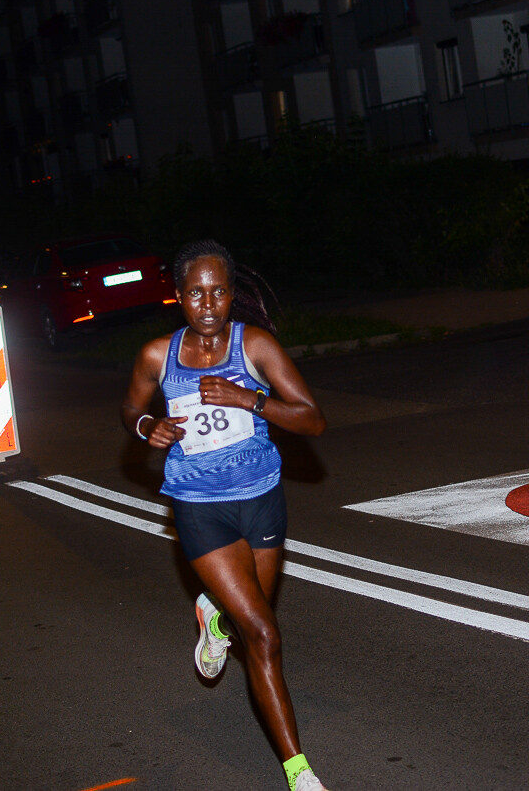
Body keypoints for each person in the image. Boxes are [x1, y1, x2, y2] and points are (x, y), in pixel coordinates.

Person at [120, 240, 331, 791]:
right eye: (196, 293)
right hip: (199, 508)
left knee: (248, 619)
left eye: (218, 292)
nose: (208, 304)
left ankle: (211, 611)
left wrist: (248, 399)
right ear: (178, 296)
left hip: (262, 499)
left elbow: (312, 420)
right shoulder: (157, 355)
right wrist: (147, 427)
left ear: (232, 294)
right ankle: (299, 772)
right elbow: (130, 407)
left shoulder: (255, 346)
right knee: (263, 634)